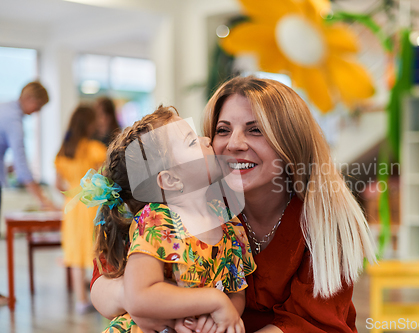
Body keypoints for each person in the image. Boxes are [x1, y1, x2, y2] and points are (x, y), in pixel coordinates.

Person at [90, 76, 377, 332]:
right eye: (223, 130)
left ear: (290, 141)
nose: (235, 144)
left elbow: (312, 323)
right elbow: (104, 284)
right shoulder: (177, 207)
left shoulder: (325, 220)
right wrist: (157, 304)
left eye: (256, 130)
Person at [83, 105, 255, 333]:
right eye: (192, 142)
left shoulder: (230, 224)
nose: (206, 139)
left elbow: (236, 291)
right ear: (171, 180)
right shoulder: (157, 221)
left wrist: (220, 316)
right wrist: (215, 301)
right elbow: (140, 295)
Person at [55, 104, 107, 313]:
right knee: (99, 248)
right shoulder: (94, 149)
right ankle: (103, 297)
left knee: (76, 252)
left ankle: (81, 299)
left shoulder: (63, 152)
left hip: (72, 206)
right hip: (91, 203)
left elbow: (58, 184)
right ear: (88, 123)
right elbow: (104, 175)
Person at [0, 81, 57, 210]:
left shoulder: (5, 108)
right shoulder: (13, 120)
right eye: (39, 105)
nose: (38, 111)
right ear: (28, 98)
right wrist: (43, 200)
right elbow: (21, 162)